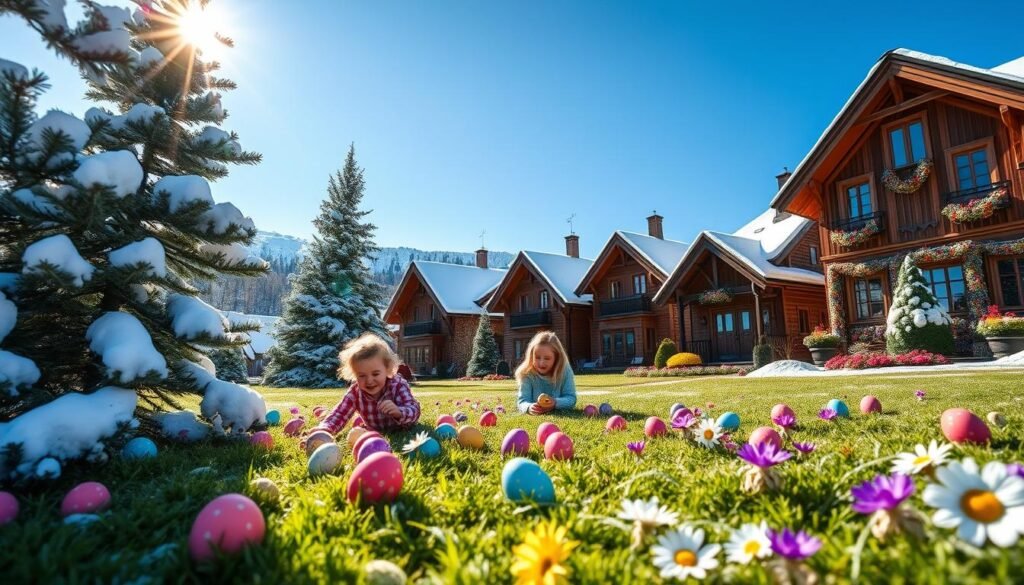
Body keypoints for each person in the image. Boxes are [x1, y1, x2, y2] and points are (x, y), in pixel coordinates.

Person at [311, 333, 421, 435]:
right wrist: (325, 429)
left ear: (387, 369)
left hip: (402, 430)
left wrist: (399, 412)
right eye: (362, 376)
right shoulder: (355, 391)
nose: (369, 381)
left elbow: (414, 410)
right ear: (354, 374)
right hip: (373, 432)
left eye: (375, 374)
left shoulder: (397, 385)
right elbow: (340, 413)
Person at [515, 331, 577, 414]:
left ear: (557, 358)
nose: (541, 363)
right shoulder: (527, 373)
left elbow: (571, 398)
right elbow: (522, 401)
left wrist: (555, 402)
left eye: (547, 358)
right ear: (531, 356)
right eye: (537, 357)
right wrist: (529, 407)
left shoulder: (564, 371)